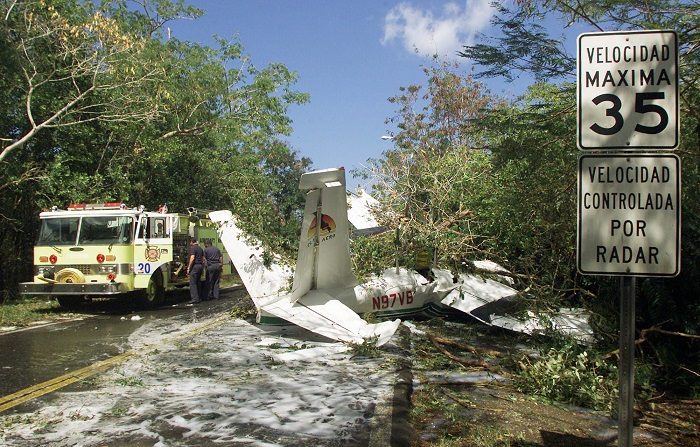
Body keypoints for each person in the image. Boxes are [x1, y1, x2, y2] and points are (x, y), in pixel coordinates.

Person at [186, 237, 205, 303]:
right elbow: (203, 259)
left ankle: (195, 299)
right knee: (198, 282)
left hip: (195, 266)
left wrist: (189, 267)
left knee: (193, 283)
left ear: (191, 242)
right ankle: (199, 297)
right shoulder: (200, 248)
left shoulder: (193, 248)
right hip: (200, 266)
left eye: (190, 242)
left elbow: (192, 258)